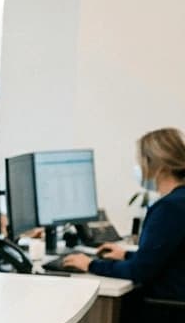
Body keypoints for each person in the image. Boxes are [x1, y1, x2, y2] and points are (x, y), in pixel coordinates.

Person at [61, 128, 185, 299]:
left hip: (166, 311)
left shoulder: (168, 209)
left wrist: (90, 264)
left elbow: (139, 271)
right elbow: (164, 258)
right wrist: (126, 255)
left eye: (141, 162)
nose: (139, 168)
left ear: (159, 166)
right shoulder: (179, 201)